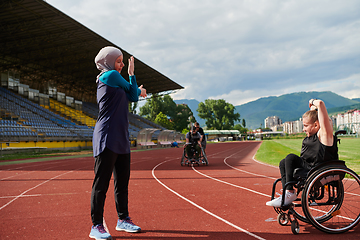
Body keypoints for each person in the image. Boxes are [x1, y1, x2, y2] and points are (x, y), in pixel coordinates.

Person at [90, 46, 147, 240]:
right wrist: (135, 84)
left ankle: (123, 219)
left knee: (122, 183)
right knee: (101, 184)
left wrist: (132, 77)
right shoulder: (110, 75)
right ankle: (96, 225)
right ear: (109, 61)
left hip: (121, 137)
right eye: (119, 61)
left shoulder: (115, 78)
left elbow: (131, 96)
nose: (121, 65)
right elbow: (133, 94)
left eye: (123, 61)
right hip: (106, 136)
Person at [266, 99, 338, 208]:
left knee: (290, 158)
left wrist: (313, 101)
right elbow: (314, 115)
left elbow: (321, 104)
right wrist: (312, 108)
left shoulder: (324, 135)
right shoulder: (312, 134)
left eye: (305, 125)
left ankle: (289, 193)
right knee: (283, 162)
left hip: (316, 168)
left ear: (315, 125)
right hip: (308, 166)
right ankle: (287, 193)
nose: (303, 129)